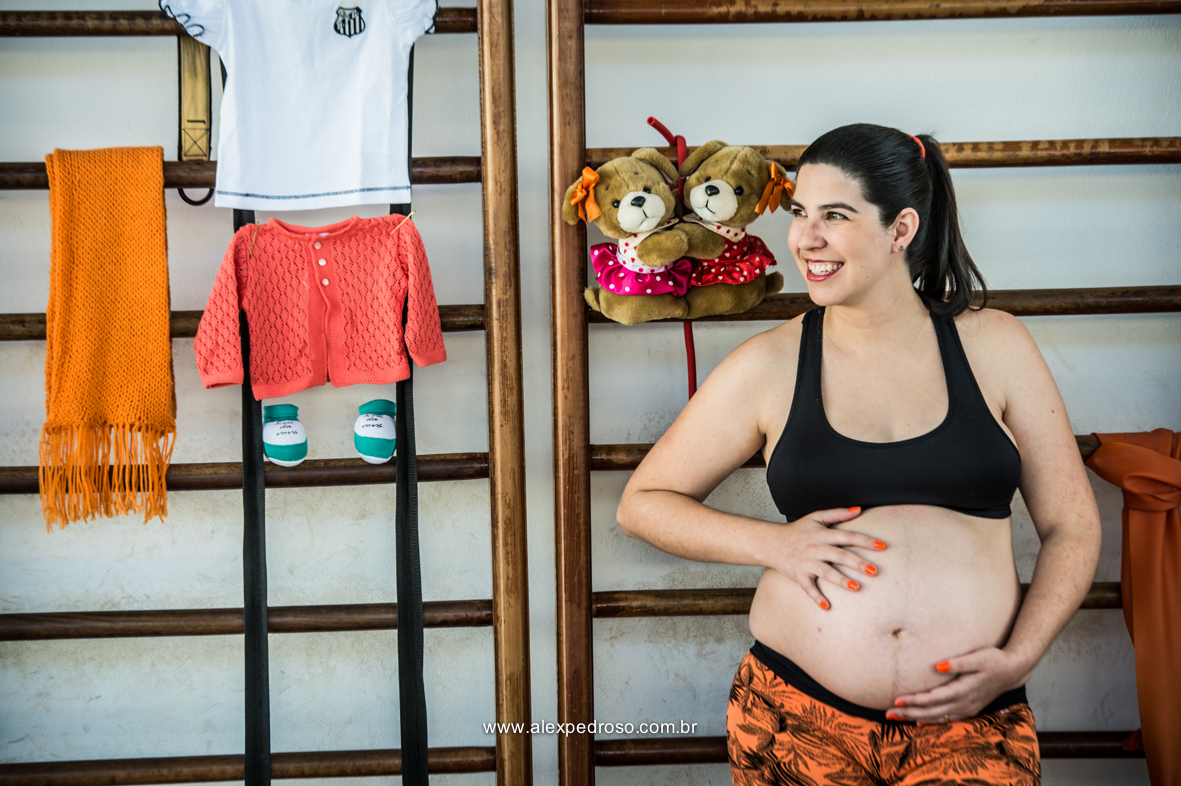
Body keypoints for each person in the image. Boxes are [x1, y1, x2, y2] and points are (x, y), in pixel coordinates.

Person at [616, 123, 1101, 785]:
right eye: (799, 213)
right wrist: (774, 544)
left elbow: (1071, 525)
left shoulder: (995, 345)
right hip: (795, 718)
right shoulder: (768, 363)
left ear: (900, 228)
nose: (805, 239)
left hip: (970, 722)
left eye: (835, 216)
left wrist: (1020, 657)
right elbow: (643, 505)